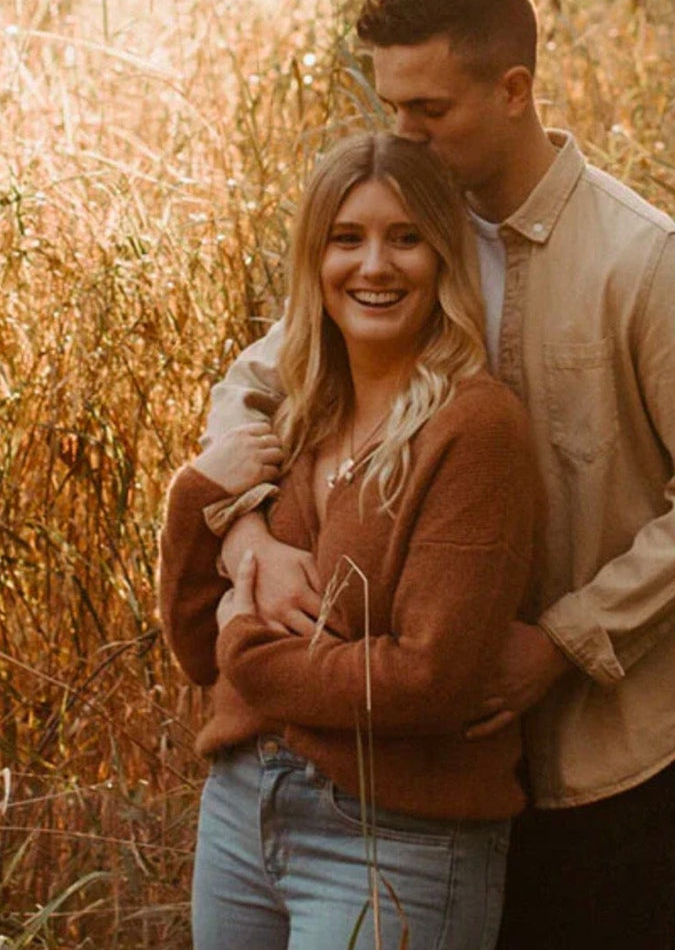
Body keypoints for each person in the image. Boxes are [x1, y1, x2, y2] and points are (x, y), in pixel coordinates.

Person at [203, 0, 675, 948]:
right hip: (423, 780)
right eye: (390, 107)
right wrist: (244, 531)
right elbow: (251, 384)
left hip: (600, 757)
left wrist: (563, 642)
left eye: (429, 110)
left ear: (514, 91)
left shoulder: (649, 266)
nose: (401, 134)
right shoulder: (409, 239)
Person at [157, 132, 545, 949]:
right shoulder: (294, 413)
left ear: (443, 259)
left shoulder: (476, 429)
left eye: (405, 238)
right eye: (348, 238)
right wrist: (198, 495)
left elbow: (427, 679)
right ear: (315, 260)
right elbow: (198, 645)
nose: (375, 265)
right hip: (240, 812)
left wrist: (252, 657)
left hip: (396, 838)